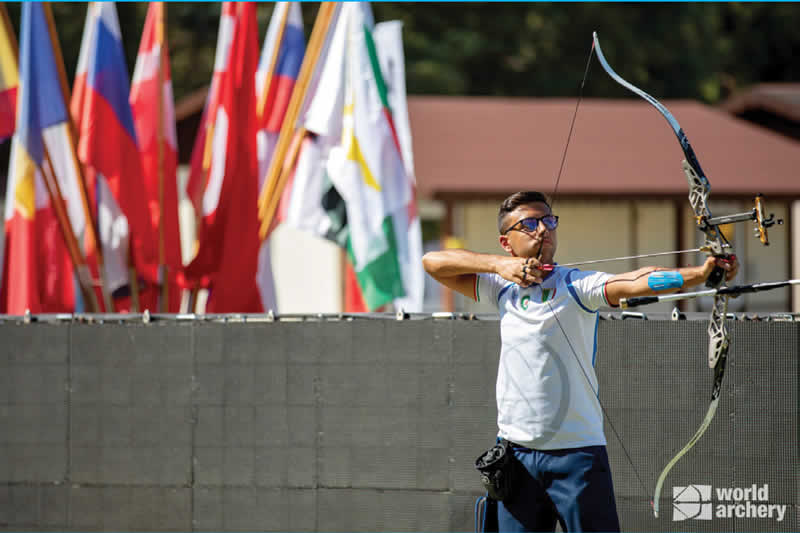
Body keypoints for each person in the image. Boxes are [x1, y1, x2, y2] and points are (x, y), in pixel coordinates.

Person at [422, 191, 738, 532]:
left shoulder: (576, 285)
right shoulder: (499, 287)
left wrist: (700, 274)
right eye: (529, 224)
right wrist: (498, 266)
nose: (543, 228)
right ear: (506, 242)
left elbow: (636, 281)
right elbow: (432, 262)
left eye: (548, 220)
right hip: (515, 455)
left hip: (577, 455)